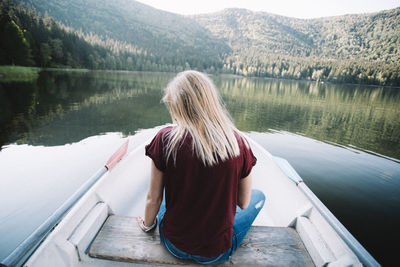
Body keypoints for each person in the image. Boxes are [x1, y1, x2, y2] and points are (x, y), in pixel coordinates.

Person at [137, 70, 265, 264]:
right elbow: (243, 203)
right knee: (258, 197)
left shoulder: (164, 139)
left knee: (165, 201)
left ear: (178, 107)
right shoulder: (239, 144)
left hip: (173, 245)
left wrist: (147, 225)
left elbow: (153, 198)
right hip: (216, 253)